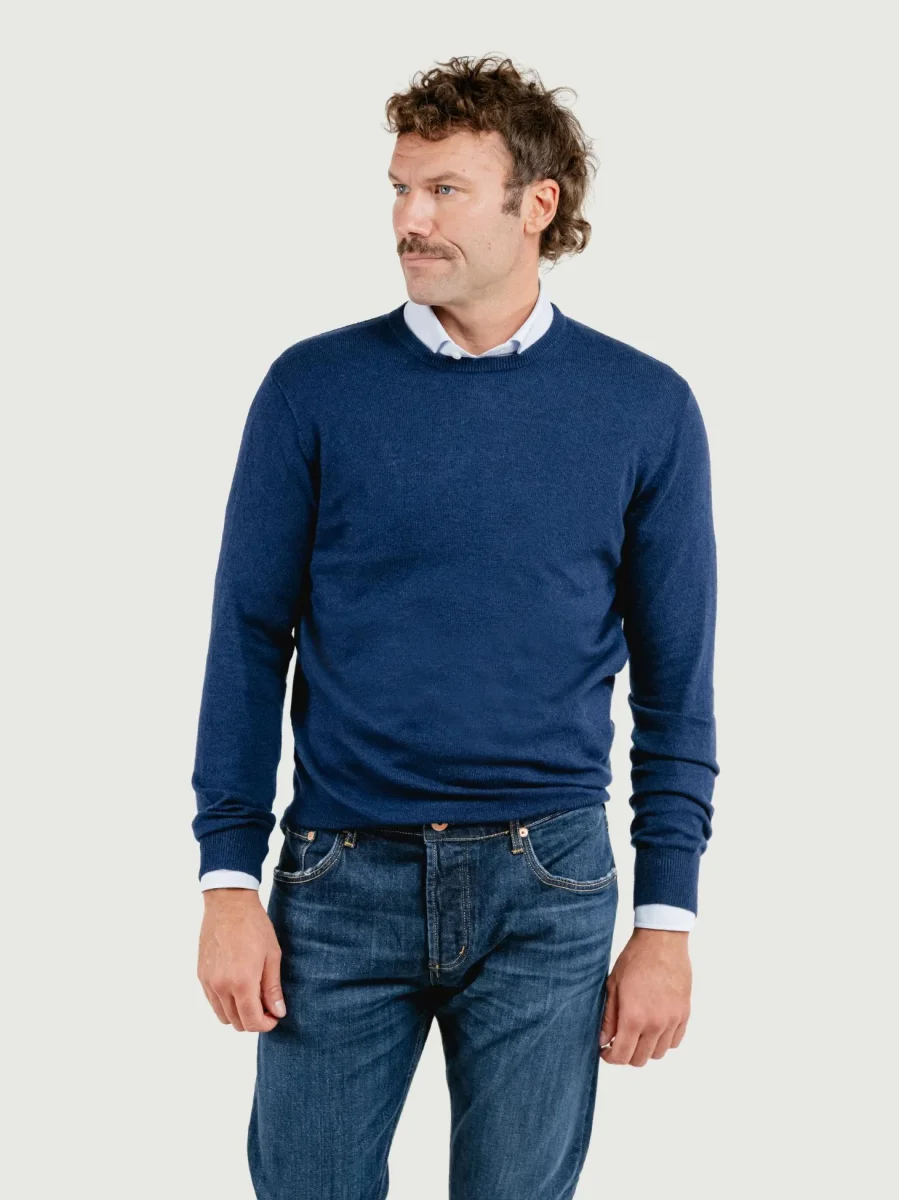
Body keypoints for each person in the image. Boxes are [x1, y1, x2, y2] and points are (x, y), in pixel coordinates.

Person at [192, 53, 719, 1200]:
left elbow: (675, 686)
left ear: (536, 205)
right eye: (398, 188)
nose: (408, 220)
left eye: (442, 191)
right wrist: (226, 881)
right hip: (339, 878)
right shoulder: (313, 389)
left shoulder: (643, 408)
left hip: (549, 886)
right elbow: (247, 638)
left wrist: (666, 920)